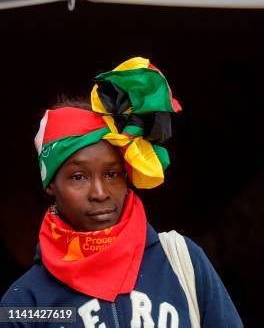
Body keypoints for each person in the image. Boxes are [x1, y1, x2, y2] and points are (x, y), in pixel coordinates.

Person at [0, 57, 243, 328]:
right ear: (50, 184)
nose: (100, 192)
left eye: (112, 173)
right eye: (78, 176)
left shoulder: (181, 261)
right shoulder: (27, 303)